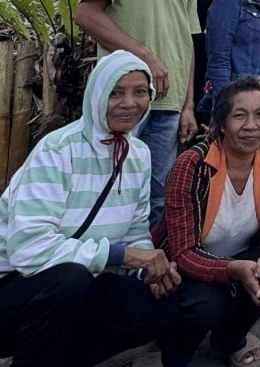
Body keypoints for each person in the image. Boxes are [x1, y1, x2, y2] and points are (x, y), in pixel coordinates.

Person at [0, 51, 177, 367]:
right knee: (69, 279)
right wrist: (123, 256)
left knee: (154, 304)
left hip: (66, 290)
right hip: (12, 289)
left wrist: (149, 270)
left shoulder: (138, 154)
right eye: (115, 92)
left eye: (140, 92)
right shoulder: (57, 150)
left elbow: (136, 229)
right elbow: (29, 249)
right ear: (96, 95)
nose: (129, 102)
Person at [76, 0, 200, 226]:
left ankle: (142, 273)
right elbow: (87, 13)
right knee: (106, 185)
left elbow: (186, 42)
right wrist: (143, 55)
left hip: (169, 105)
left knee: (155, 194)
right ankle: (97, 266)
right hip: (124, 97)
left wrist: (188, 105)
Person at [154, 76, 260, 367]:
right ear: (222, 122)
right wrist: (234, 270)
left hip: (239, 255)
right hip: (185, 266)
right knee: (207, 303)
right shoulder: (192, 165)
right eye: (239, 115)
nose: (251, 126)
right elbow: (184, 252)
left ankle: (227, 341)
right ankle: (171, 356)